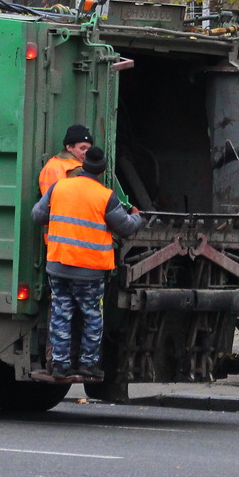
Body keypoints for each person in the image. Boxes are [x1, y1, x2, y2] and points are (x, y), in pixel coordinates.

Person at [31, 146, 143, 379]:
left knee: (61, 313)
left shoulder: (59, 187)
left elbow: (37, 215)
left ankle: (60, 365)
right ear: (102, 172)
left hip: (58, 264)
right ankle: (87, 365)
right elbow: (126, 228)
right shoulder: (105, 196)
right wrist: (137, 216)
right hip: (89, 271)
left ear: (82, 167)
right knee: (91, 315)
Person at [38, 124, 93, 195]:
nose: (86, 152)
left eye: (89, 149)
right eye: (82, 148)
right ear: (69, 147)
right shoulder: (77, 169)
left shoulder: (51, 163)